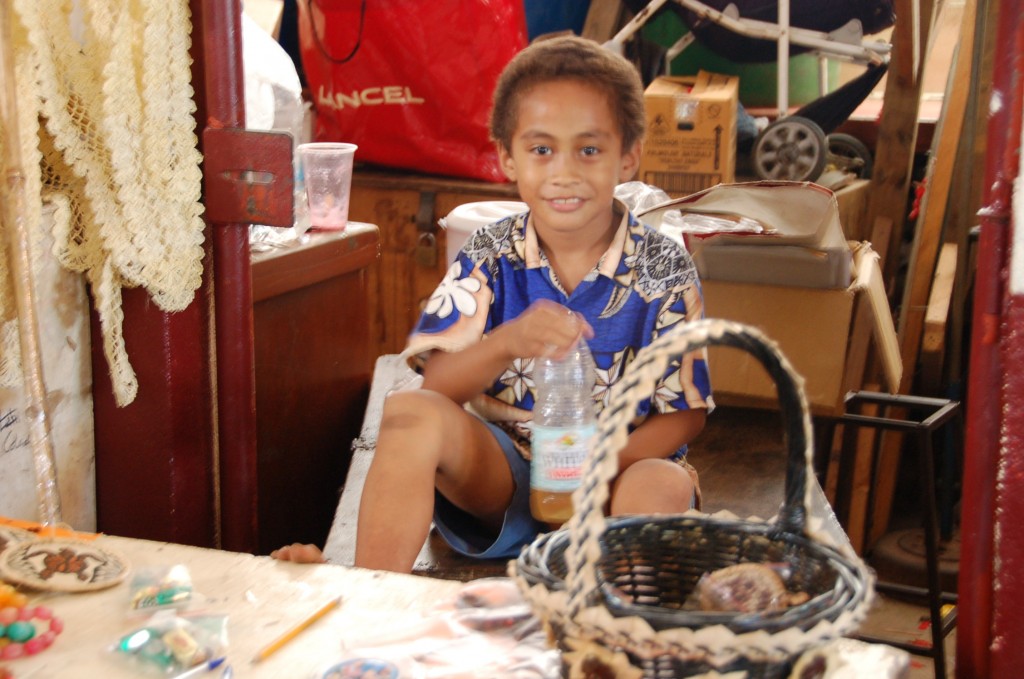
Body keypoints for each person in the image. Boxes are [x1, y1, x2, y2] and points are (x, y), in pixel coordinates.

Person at [273, 35, 712, 571]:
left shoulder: (664, 266)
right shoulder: (490, 252)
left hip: (616, 480)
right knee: (411, 411)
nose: (564, 171)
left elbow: (685, 414)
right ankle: (369, 590)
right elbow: (438, 385)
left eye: (590, 149)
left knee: (661, 484)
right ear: (508, 156)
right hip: (504, 478)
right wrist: (508, 340)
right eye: (541, 149)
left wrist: (595, 464)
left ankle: (607, 613)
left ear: (628, 157)